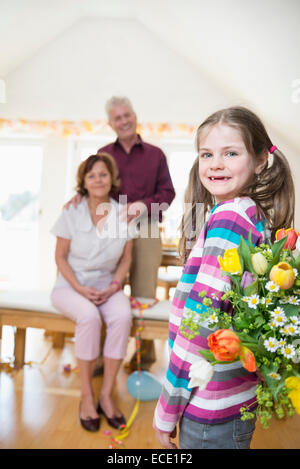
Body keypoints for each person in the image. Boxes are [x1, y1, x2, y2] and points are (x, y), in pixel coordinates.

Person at [153, 106, 295, 449]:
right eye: (207, 154)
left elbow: (201, 323)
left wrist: (167, 409)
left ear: (261, 160)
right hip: (232, 399)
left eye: (230, 153)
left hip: (208, 405)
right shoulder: (251, 214)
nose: (215, 163)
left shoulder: (230, 216)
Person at [68, 96, 176, 369]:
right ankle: (105, 357)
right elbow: (93, 183)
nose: (124, 121)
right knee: (108, 287)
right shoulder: (104, 153)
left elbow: (168, 193)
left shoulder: (155, 154)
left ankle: (144, 355)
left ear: (135, 116)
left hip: (147, 227)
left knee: (143, 291)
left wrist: (142, 205)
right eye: (118, 118)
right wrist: (77, 199)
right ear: (111, 123)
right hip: (110, 225)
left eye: (127, 115)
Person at [51, 153, 133, 432]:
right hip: (69, 286)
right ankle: (87, 395)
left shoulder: (124, 213)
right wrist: (79, 288)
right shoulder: (71, 211)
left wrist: (114, 286)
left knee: (122, 317)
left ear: (112, 179)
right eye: (92, 175)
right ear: (83, 182)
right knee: (88, 317)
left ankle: (106, 395)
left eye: (103, 174)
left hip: (107, 286)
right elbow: (60, 257)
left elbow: (126, 260)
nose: (98, 179)